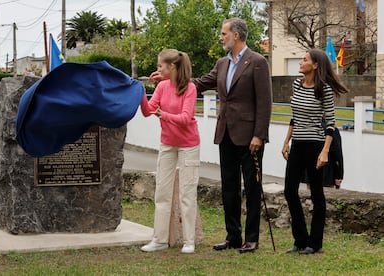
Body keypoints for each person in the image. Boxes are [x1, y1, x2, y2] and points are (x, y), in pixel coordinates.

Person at [152, 18, 272, 253]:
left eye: (224, 33)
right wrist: (170, 78)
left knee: (251, 186)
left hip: (249, 136)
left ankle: (252, 239)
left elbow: (265, 103)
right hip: (225, 133)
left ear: (236, 35)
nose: (221, 36)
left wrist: (259, 135)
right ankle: (233, 236)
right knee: (229, 187)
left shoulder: (257, 62)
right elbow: (198, 83)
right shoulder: (221, 64)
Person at [281, 49, 349, 255]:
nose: (300, 62)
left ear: (316, 65)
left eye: (304, 60)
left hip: (316, 145)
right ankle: (300, 240)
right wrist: (286, 142)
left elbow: (331, 123)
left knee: (316, 194)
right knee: (289, 190)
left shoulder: (324, 90)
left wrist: (325, 151)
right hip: (298, 144)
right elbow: (295, 116)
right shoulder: (296, 84)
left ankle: (315, 242)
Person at [140, 49, 200, 254]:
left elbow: (186, 118)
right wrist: (141, 92)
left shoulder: (189, 88)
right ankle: (159, 240)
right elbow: (148, 111)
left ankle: (189, 240)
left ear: (171, 66)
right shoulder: (162, 86)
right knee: (162, 192)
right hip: (167, 143)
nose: (157, 70)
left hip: (188, 145)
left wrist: (163, 115)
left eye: (160, 66)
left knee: (187, 193)